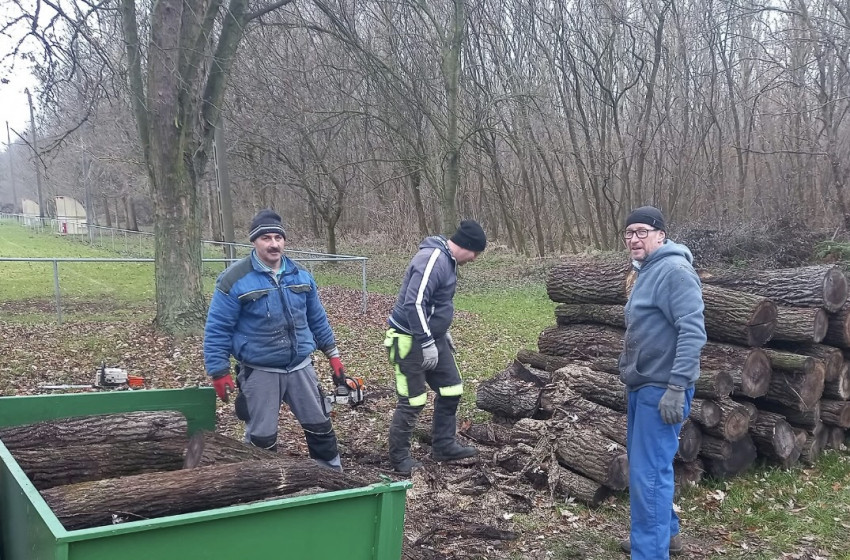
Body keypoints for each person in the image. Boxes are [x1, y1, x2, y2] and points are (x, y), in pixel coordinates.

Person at [204, 209, 348, 471]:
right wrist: (218, 371)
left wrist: (333, 354)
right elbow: (217, 329)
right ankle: (263, 486)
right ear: (254, 242)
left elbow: (317, 319)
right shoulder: (234, 280)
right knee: (262, 435)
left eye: (278, 238)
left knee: (320, 424)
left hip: (300, 367)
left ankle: (332, 477)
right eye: (266, 238)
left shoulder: (300, 274)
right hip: (260, 370)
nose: (273, 244)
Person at [618, 206, 707, 558]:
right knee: (648, 468)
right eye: (629, 233)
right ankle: (664, 536)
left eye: (641, 231)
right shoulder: (648, 271)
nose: (634, 239)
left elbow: (693, 331)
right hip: (643, 385)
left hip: (662, 389)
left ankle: (649, 553)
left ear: (660, 234)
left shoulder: (673, 271)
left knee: (648, 475)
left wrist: (676, 387)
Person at [383, 220, 487, 474]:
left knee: (452, 389)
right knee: (413, 399)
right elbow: (415, 303)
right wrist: (427, 341)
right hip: (408, 340)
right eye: (475, 253)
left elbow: (435, 304)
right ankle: (399, 458)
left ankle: (444, 445)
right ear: (467, 247)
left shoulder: (448, 261)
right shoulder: (433, 259)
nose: (473, 259)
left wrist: (442, 331)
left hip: (433, 339)